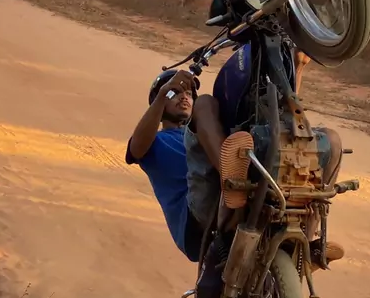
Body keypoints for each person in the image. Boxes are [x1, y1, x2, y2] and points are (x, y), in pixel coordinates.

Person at [125, 50, 344, 270]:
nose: (184, 97)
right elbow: (136, 148)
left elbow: (283, 122)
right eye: (175, 93)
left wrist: (297, 67)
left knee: (331, 140)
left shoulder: (210, 134)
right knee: (206, 103)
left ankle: (304, 246)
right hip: (195, 218)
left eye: (189, 93)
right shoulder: (155, 141)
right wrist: (164, 92)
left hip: (232, 195)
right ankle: (232, 179)